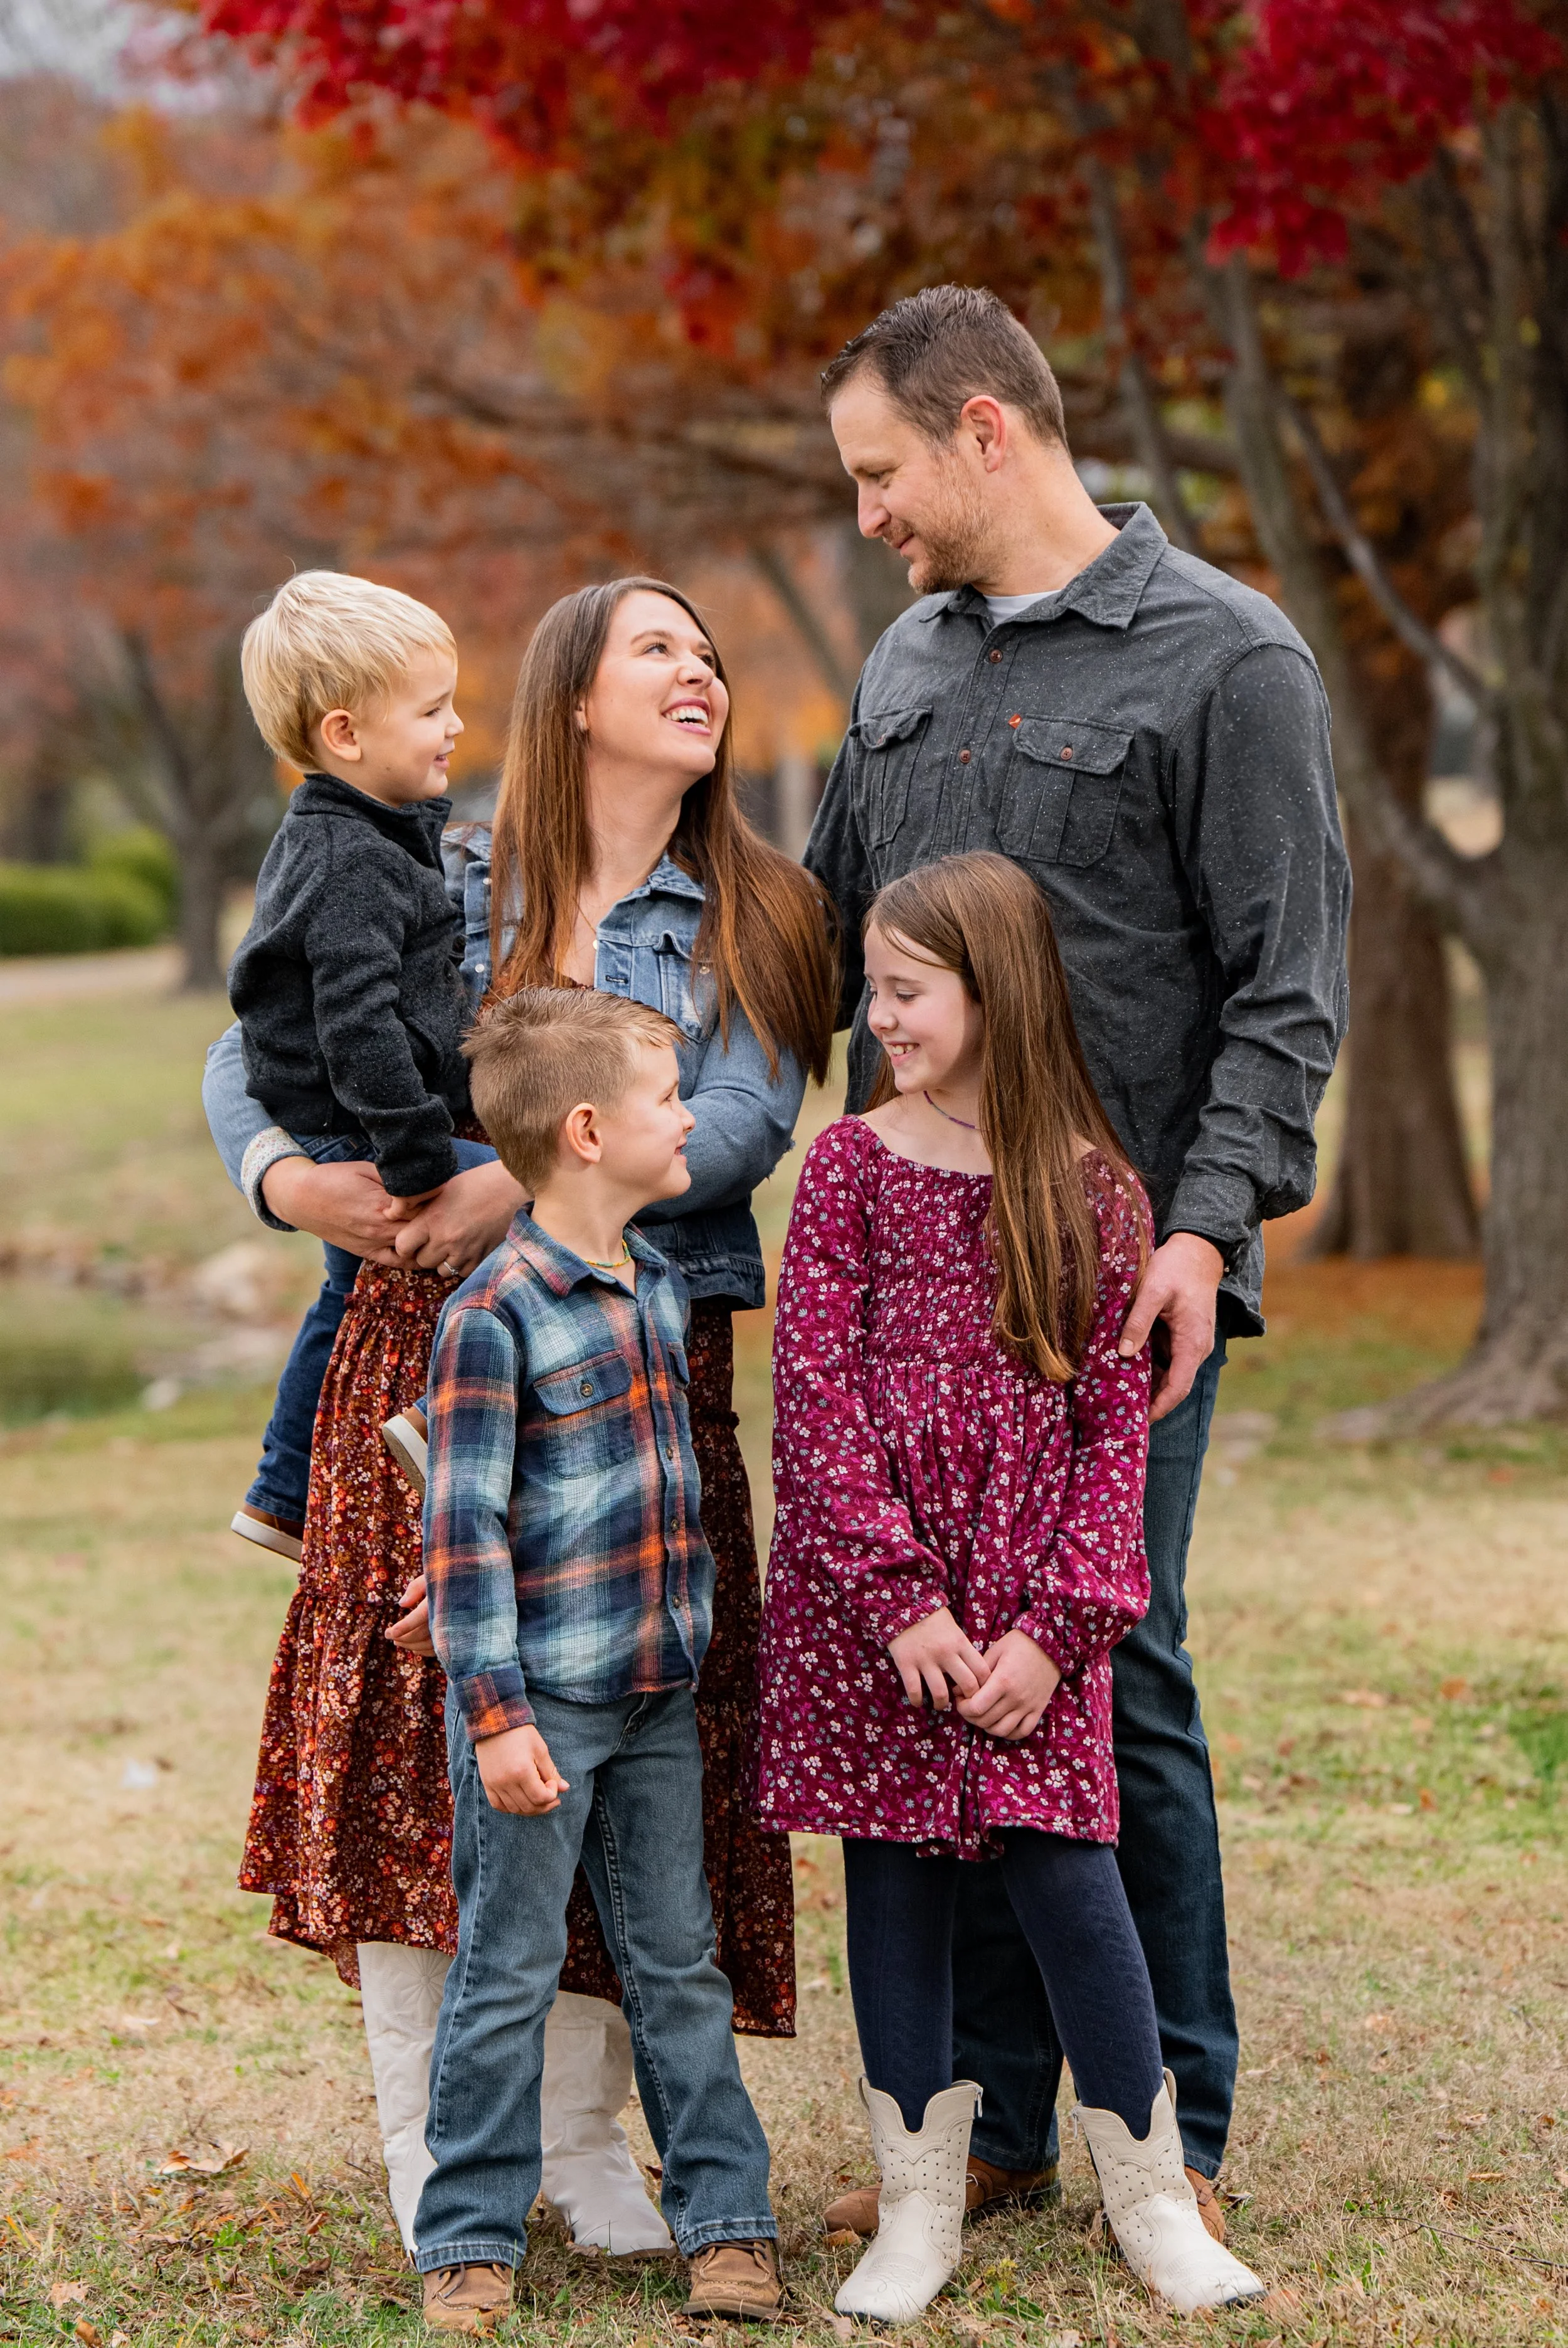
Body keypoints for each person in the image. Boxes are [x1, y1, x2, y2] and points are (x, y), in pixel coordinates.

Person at [202, 576, 835, 2257]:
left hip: (640, 1352)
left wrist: (513, 1182)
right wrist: (288, 1180)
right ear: (570, 695)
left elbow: (738, 1122)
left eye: (708, 652)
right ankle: (432, 2139)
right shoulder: (431, 857)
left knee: (628, 1737)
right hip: (431, 1350)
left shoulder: (762, 908)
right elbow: (247, 1040)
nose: (699, 671)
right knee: (420, 1731)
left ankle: (582, 2138)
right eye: (656, 648)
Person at [806, 285, 1350, 2230]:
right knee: (938, 1674)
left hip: (1110, 1281)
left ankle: (1165, 2117)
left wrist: (1206, 1230)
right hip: (907, 1272)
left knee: (1110, 1666)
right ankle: (992, 2115)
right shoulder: (904, 656)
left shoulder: (1228, 657)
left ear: (983, 429)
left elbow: (1285, 991)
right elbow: (815, 936)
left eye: (879, 470)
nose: (866, 512)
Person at [755, 854, 1264, 2320]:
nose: (880, 1015)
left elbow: (1114, 1437)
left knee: (1065, 1868)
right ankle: (915, 2206)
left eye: (906, 990)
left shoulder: (1093, 1190)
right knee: (895, 1877)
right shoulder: (848, 1167)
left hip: (1031, 1607)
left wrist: (1055, 1630)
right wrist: (898, 1601)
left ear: (996, 991)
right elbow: (816, 1402)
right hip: (880, 1616)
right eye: (873, 988)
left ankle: (1152, 2199)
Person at [416, 987, 781, 2333]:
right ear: (586, 1130)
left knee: (678, 1960)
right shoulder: (493, 1314)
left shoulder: (658, 1286)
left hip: (655, 1696)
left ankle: (727, 2222)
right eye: (667, 1097)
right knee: (507, 1966)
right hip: (541, 1711)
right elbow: (461, 1534)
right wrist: (496, 1717)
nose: (689, 1118)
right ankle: (467, 2233)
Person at [227, 571, 499, 1565]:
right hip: (361, 1122)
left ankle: (283, 1490)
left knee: (345, 1293)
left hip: (354, 1116)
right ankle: (433, 1418)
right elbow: (358, 1025)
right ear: (345, 734)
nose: (456, 726)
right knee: (556, 1220)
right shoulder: (352, 860)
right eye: (431, 710)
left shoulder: (360, 835)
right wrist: (418, 1156)